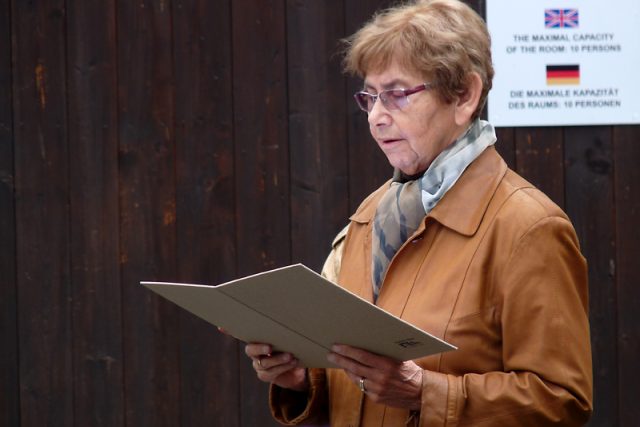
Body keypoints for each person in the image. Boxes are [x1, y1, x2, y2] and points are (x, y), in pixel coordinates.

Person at [244, 0, 593, 425]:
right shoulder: (370, 215)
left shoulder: (528, 227)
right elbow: (355, 374)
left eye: (396, 94)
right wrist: (302, 379)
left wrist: (426, 393)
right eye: (369, 97)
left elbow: (563, 401)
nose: (376, 117)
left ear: (464, 95)